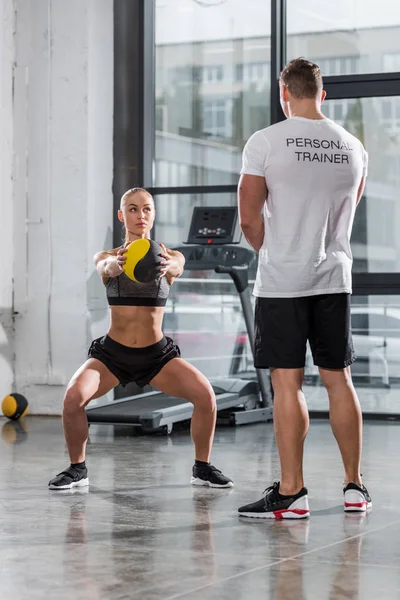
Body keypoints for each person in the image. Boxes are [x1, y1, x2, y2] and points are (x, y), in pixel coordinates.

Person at [237, 58, 371, 518]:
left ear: (283, 94)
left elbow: (249, 218)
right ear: (322, 94)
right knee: (339, 379)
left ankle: (293, 492)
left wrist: (272, 251)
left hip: (282, 282)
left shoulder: (265, 142)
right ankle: (355, 487)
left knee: (286, 381)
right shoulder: (353, 147)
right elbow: (348, 208)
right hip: (334, 277)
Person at [49, 187, 233, 490]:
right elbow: (103, 268)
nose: (140, 215)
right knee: (72, 399)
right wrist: (113, 266)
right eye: (132, 209)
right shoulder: (109, 256)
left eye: (146, 209)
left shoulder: (169, 257)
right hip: (112, 354)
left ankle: (202, 468)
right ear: (122, 216)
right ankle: (77, 469)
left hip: (156, 356)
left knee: (206, 397)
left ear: (153, 215)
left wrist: (169, 265)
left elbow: (178, 266)